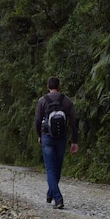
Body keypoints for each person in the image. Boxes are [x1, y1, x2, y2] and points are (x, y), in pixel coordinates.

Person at [34, 77, 79, 209]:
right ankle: (52, 193)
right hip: (62, 138)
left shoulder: (42, 101)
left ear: (48, 86)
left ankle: (57, 198)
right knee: (57, 168)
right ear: (59, 86)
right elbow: (73, 122)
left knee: (50, 169)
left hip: (47, 137)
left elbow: (37, 120)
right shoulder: (67, 101)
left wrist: (39, 135)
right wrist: (74, 141)